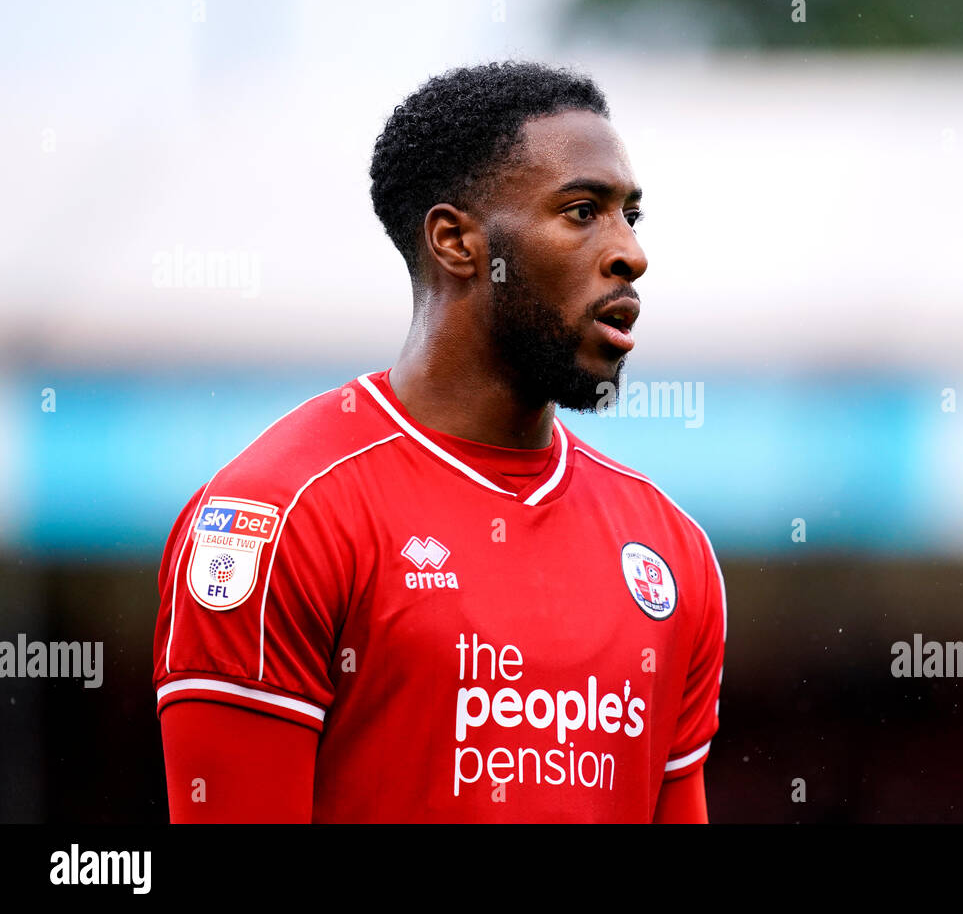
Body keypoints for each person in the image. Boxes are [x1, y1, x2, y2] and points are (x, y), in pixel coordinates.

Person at [152, 60, 727, 823]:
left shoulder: (671, 551)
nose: (630, 252)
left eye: (632, 215)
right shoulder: (278, 517)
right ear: (457, 242)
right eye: (583, 210)